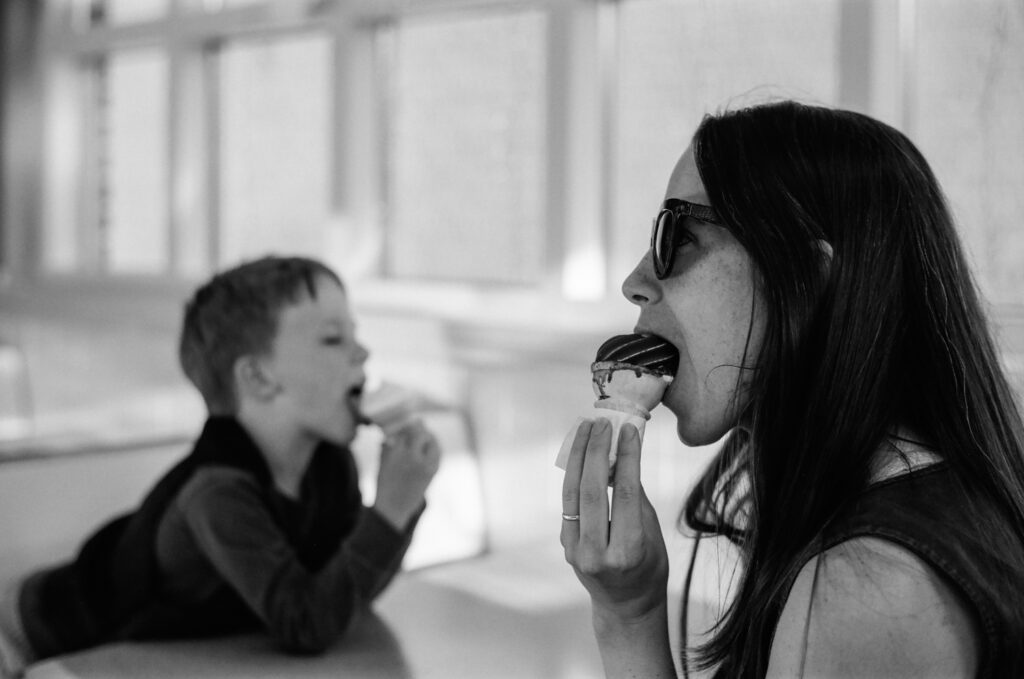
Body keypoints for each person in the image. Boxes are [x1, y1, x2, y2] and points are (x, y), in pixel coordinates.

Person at [560, 100, 1024, 678]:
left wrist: (626, 625)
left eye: (678, 233)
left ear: (805, 281)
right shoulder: (899, 504)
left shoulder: (867, 595)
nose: (635, 282)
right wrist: (629, 608)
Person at [0, 256, 440, 676]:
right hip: (27, 636)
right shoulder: (217, 493)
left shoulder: (329, 467)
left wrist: (403, 503)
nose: (362, 351)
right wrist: (389, 510)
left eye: (354, 333)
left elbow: (346, 597)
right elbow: (305, 624)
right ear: (258, 378)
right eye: (332, 338)